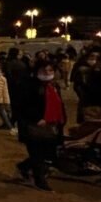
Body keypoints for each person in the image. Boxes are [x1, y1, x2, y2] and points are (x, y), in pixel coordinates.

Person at [15, 61, 65, 191]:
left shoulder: (53, 86)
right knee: (37, 153)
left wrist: (60, 120)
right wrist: (36, 118)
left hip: (51, 125)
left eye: (50, 71)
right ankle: (39, 180)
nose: (47, 74)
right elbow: (22, 105)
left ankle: (24, 167)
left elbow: (59, 105)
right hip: (33, 125)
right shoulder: (29, 86)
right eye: (44, 71)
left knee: (46, 153)